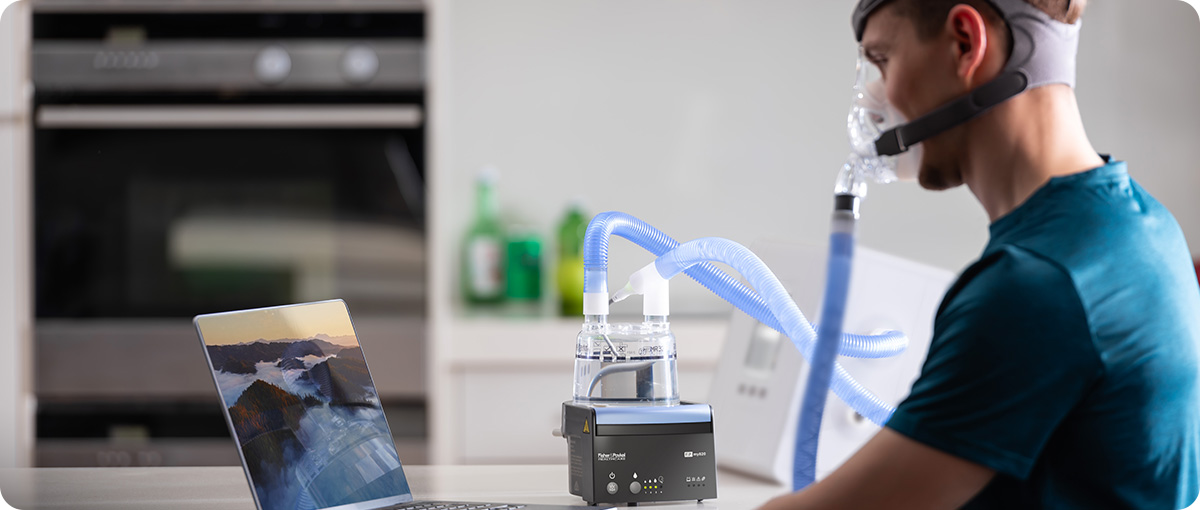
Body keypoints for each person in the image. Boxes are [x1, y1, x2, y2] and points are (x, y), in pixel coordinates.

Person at [760, 0, 1200, 508]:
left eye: (882, 60)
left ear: (965, 42)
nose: (875, 99)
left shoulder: (1037, 288)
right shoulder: (1143, 228)